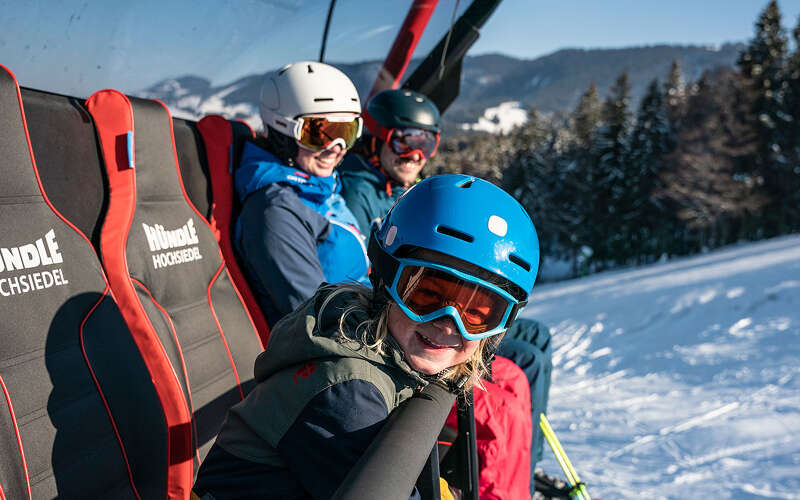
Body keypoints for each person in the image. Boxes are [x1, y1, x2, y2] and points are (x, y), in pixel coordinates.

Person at [192, 174, 541, 499]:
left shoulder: (393, 355)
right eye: (426, 294)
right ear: (386, 281)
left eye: (478, 314)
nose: (448, 325)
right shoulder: (347, 392)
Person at [340, 88, 555, 497]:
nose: (416, 153)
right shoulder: (351, 399)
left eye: (427, 142)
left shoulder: (401, 188)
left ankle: (525, 464)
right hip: (389, 316)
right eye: (406, 140)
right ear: (377, 137)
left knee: (534, 341)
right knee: (512, 378)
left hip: (402, 314)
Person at [233, 61, 369, 328]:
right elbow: (317, 319)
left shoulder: (319, 186)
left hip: (365, 317)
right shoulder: (275, 211)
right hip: (341, 346)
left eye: (346, 133)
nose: (336, 148)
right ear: (283, 130)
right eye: (319, 134)